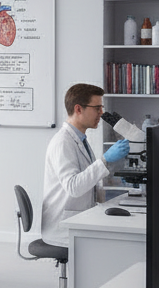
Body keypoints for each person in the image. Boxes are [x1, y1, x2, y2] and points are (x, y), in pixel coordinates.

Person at [41, 83, 129, 247]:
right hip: (63, 228)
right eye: (97, 108)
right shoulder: (63, 142)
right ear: (78, 109)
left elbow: (88, 178)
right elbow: (73, 187)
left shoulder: (80, 139)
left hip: (80, 218)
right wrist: (105, 160)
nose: (101, 113)